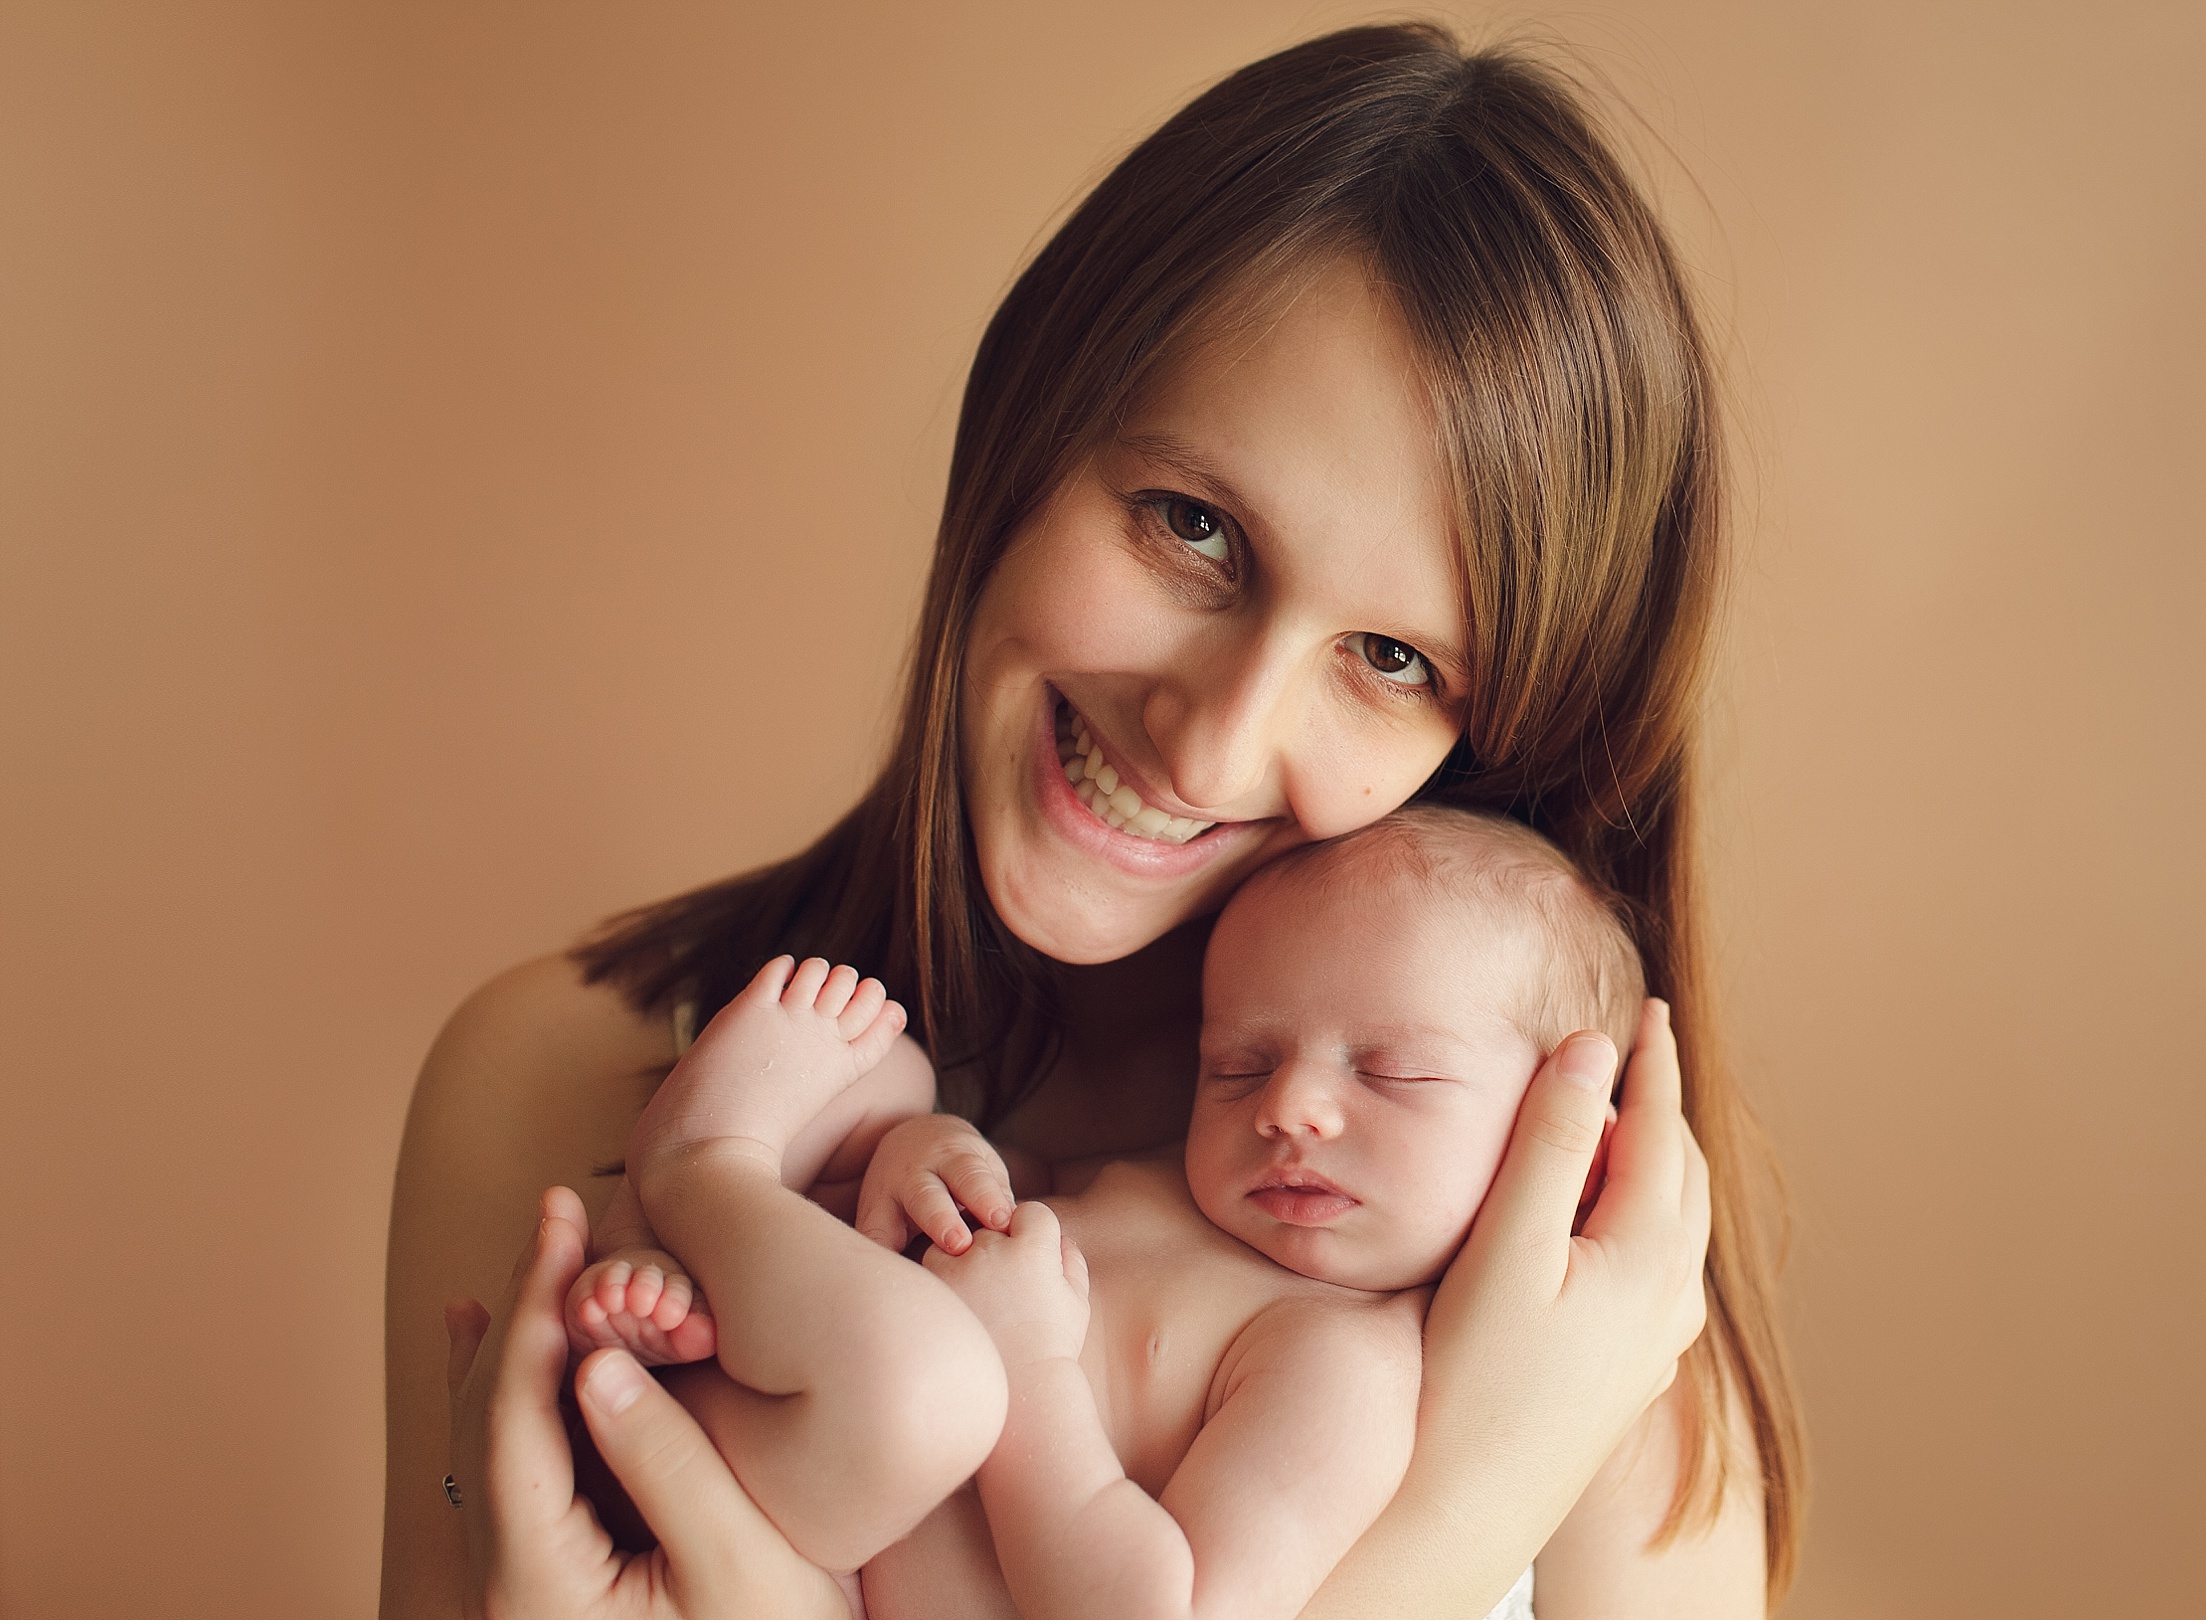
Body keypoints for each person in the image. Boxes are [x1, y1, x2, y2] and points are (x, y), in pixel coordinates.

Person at [384, 21, 1804, 1620]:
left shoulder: (1580, 1300)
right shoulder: (560, 1082)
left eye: (1393, 659)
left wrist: (1477, 1493)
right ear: (1027, 423)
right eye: (1190, 526)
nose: (1213, 736)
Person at [563, 806, 1675, 1620]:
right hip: (775, 1415)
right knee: (886, 1081)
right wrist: (930, 1155)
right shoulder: (1159, 1186)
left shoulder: (1342, 1362)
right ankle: (703, 1249)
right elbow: (997, 1184)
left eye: (1387, 1075)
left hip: (812, 1541)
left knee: (929, 1377)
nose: (1289, 1107)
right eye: (1239, 1064)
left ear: (1562, 1154)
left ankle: (697, 1171)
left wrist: (1033, 1370)